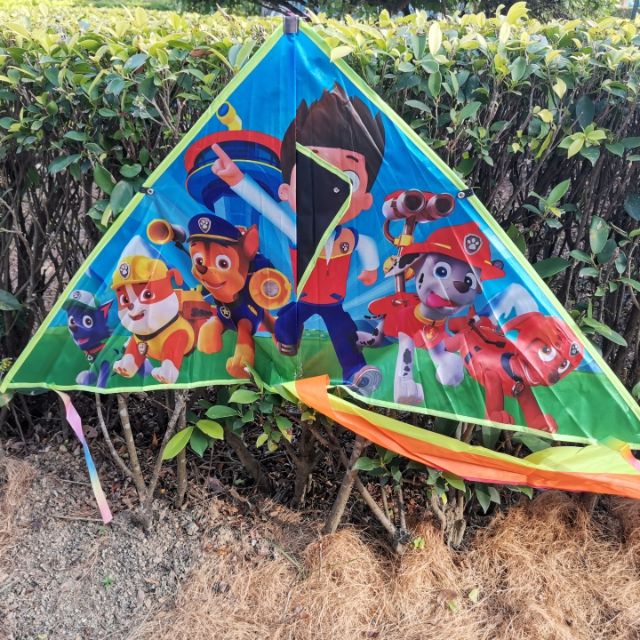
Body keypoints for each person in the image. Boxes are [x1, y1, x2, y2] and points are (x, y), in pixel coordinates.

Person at [210, 84, 386, 395]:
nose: (327, 190)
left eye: (346, 180)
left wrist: (370, 269)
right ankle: (288, 342)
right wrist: (235, 179)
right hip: (304, 299)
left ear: (365, 200)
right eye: (311, 176)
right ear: (285, 191)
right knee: (286, 322)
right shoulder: (298, 233)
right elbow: (267, 209)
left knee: (343, 331)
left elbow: (368, 245)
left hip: (334, 303)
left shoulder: (348, 236)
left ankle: (356, 371)